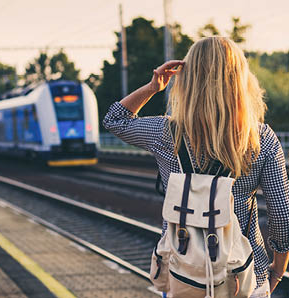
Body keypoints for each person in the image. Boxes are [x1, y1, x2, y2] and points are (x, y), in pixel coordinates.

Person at [103, 36, 289, 297]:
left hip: (183, 274)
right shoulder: (260, 139)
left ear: (188, 80)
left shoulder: (165, 133)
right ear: (241, 80)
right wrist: (277, 270)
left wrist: (153, 86)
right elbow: (282, 215)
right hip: (244, 275)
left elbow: (115, 120)